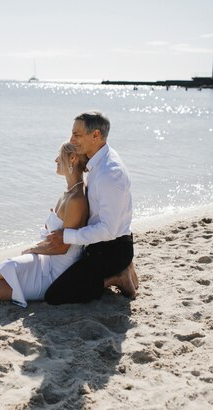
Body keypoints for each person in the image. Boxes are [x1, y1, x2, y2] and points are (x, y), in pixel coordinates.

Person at [0, 142, 89, 307]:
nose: (56, 159)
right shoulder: (68, 193)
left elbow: (63, 248)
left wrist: (32, 249)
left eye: (60, 155)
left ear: (72, 158)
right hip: (46, 259)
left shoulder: (77, 199)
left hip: (55, 271)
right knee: (4, 274)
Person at [44, 111, 138, 304]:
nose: (71, 140)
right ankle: (123, 268)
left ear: (95, 136)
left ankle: (118, 277)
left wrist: (67, 236)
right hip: (98, 245)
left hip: (112, 250)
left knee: (55, 295)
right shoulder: (99, 159)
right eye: (72, 134)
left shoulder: (110, 173)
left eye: (77, 135)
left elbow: (108, 230)